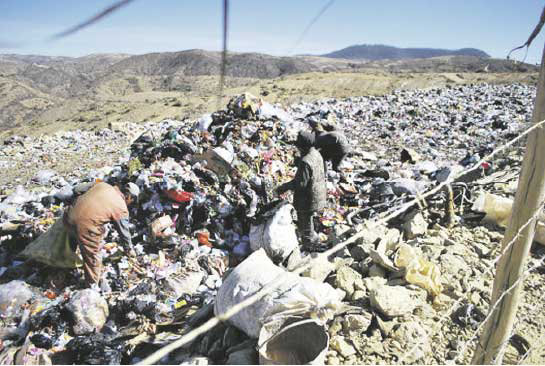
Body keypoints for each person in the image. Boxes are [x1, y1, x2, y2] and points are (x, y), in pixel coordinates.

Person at [63, 181, 139, 288]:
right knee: (93, 257)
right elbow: (124, 233)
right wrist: (129, 250)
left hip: (67, 218)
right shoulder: (121, 207)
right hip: (85, 227)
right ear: (129, 197)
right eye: (132, 201)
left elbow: (77, 189)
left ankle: (64, 266)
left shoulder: (103, 185)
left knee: (72, 239)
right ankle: (92, 287)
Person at [276, 131, 327, 249]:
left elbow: (300, 184)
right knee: (309, 221)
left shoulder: (305, 162)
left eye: (298, 146)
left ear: (303, 146)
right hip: (320, 194)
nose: (297, 148)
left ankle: (310, 247)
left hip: (308, 199)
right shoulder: (316, 154)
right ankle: (313, 239)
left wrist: (283, 187)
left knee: (305, 223)